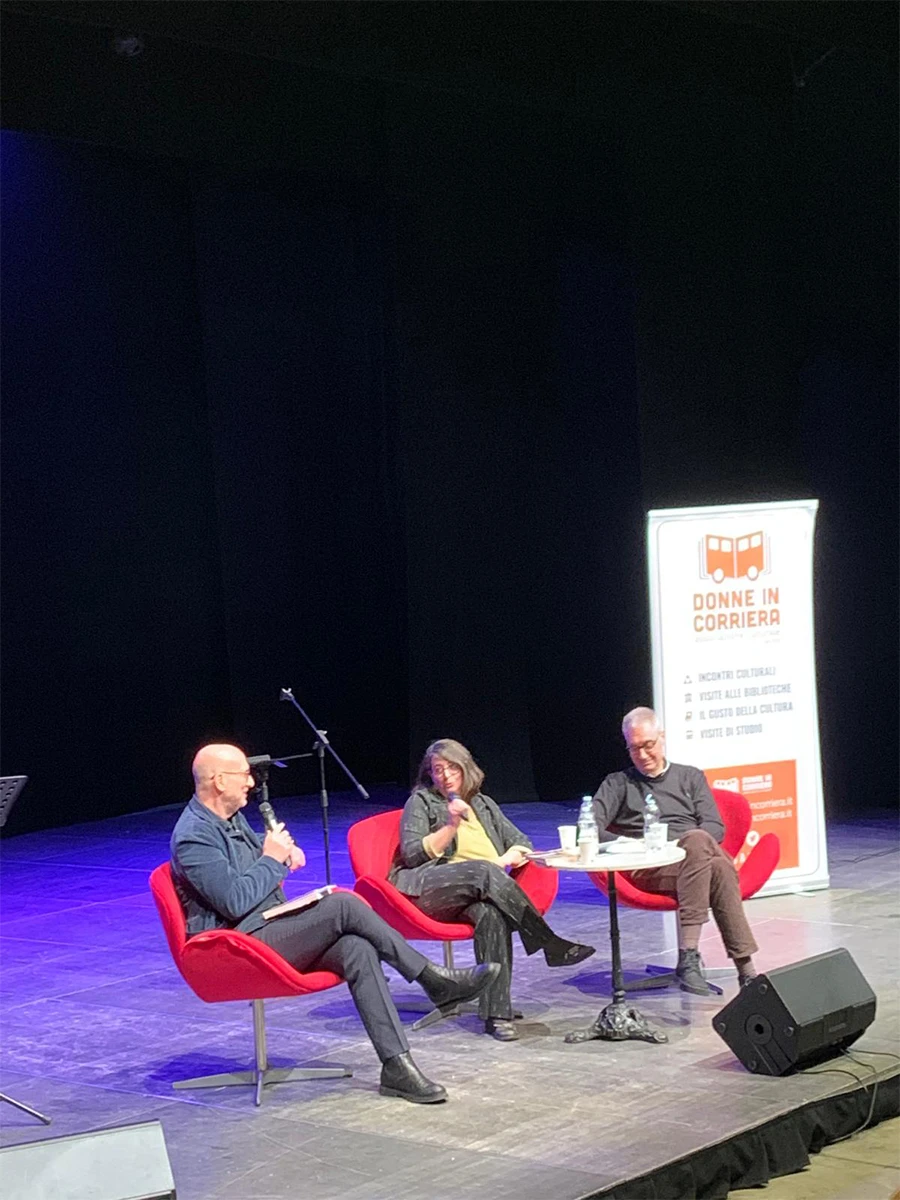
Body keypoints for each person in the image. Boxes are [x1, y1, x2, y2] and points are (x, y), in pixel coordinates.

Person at [170, 743, 501, 1104]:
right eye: (244, 775)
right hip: (234, 945)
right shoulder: (194, 835)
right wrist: (272, 859)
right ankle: (431, 978)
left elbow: (253, 877)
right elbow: (234, 901)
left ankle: (397, 1066)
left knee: (356, 948)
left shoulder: (230, 818)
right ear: (219, 781)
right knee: (342, 903)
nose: (251, 782)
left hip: (265, 926)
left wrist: (280, 856)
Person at [391, 738, 595, 1042]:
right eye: (438, 769)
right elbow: (412, 855)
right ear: (429, 774)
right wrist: (450, 825)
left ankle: (496, 1014)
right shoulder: (421, 802)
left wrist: (504, 859)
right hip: (429, 889)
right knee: (483, 870)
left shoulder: (483, 804)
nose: (445, 775)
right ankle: (548, 942)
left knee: (491, 915)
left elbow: (522, 842)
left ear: (466, 768)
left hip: (478, 889)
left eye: (452, 767)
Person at [591, 707, 759, 993]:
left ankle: (696, 960)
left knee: (703, 848)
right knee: (719, 866)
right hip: (649, 867)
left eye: (648, 745)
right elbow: (589, 828)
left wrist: (684, 847)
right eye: (634, 748)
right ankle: (745, 974)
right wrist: (633, 845)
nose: (643, 755)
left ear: (662, 738)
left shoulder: (690, 776)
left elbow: (715, 827)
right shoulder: (618, 783)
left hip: (691, 858)